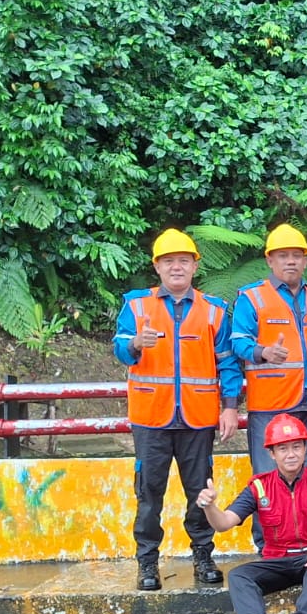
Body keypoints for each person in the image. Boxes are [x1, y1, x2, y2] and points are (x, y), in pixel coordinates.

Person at [113, 228, 241, 591]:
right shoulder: (137, 306)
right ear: (157, 267)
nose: (176, 268)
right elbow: (120, 348)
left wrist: (230, 407)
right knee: (149, 493)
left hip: (197, 419)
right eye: (169, 261)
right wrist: (137, 342)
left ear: (195, 265)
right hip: (151, 418)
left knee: (200, 492)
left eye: (183, 261)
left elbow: (228, 364)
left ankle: (203, 557)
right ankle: (147, 563)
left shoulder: (214, 311)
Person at [195, 415, 307, 614]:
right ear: (272, 454)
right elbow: (224, 523)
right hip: (278, 560)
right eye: (283, 448)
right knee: (238, 575)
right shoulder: (259, 486)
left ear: (306, 449)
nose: (291, 454)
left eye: (297, 446)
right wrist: (209, 506)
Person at [231, 224, 307, 476]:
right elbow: (238, 342)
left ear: (305, 261)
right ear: (270, 260)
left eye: (296, 256)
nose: (290, 262)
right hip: (269, 405)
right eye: (283, 256)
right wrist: (263, 352)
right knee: (268, 482)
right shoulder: (252, 297)